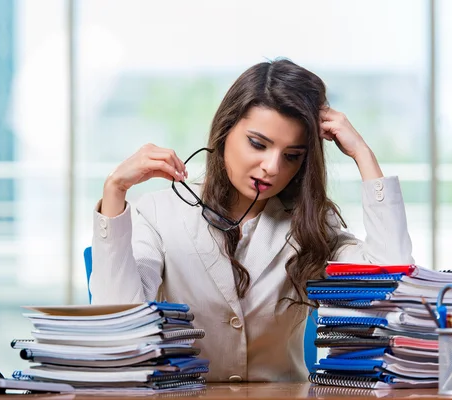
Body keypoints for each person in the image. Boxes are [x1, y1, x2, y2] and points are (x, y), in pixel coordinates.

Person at [89, 59, 413, 382]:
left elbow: (393, 289)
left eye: (292, 156)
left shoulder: (311, 222)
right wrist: (115, 189)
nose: (272, 167)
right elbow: (120, 324)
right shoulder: (160, 212)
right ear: (225, 130)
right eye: (258, 144)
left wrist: (363, 154)